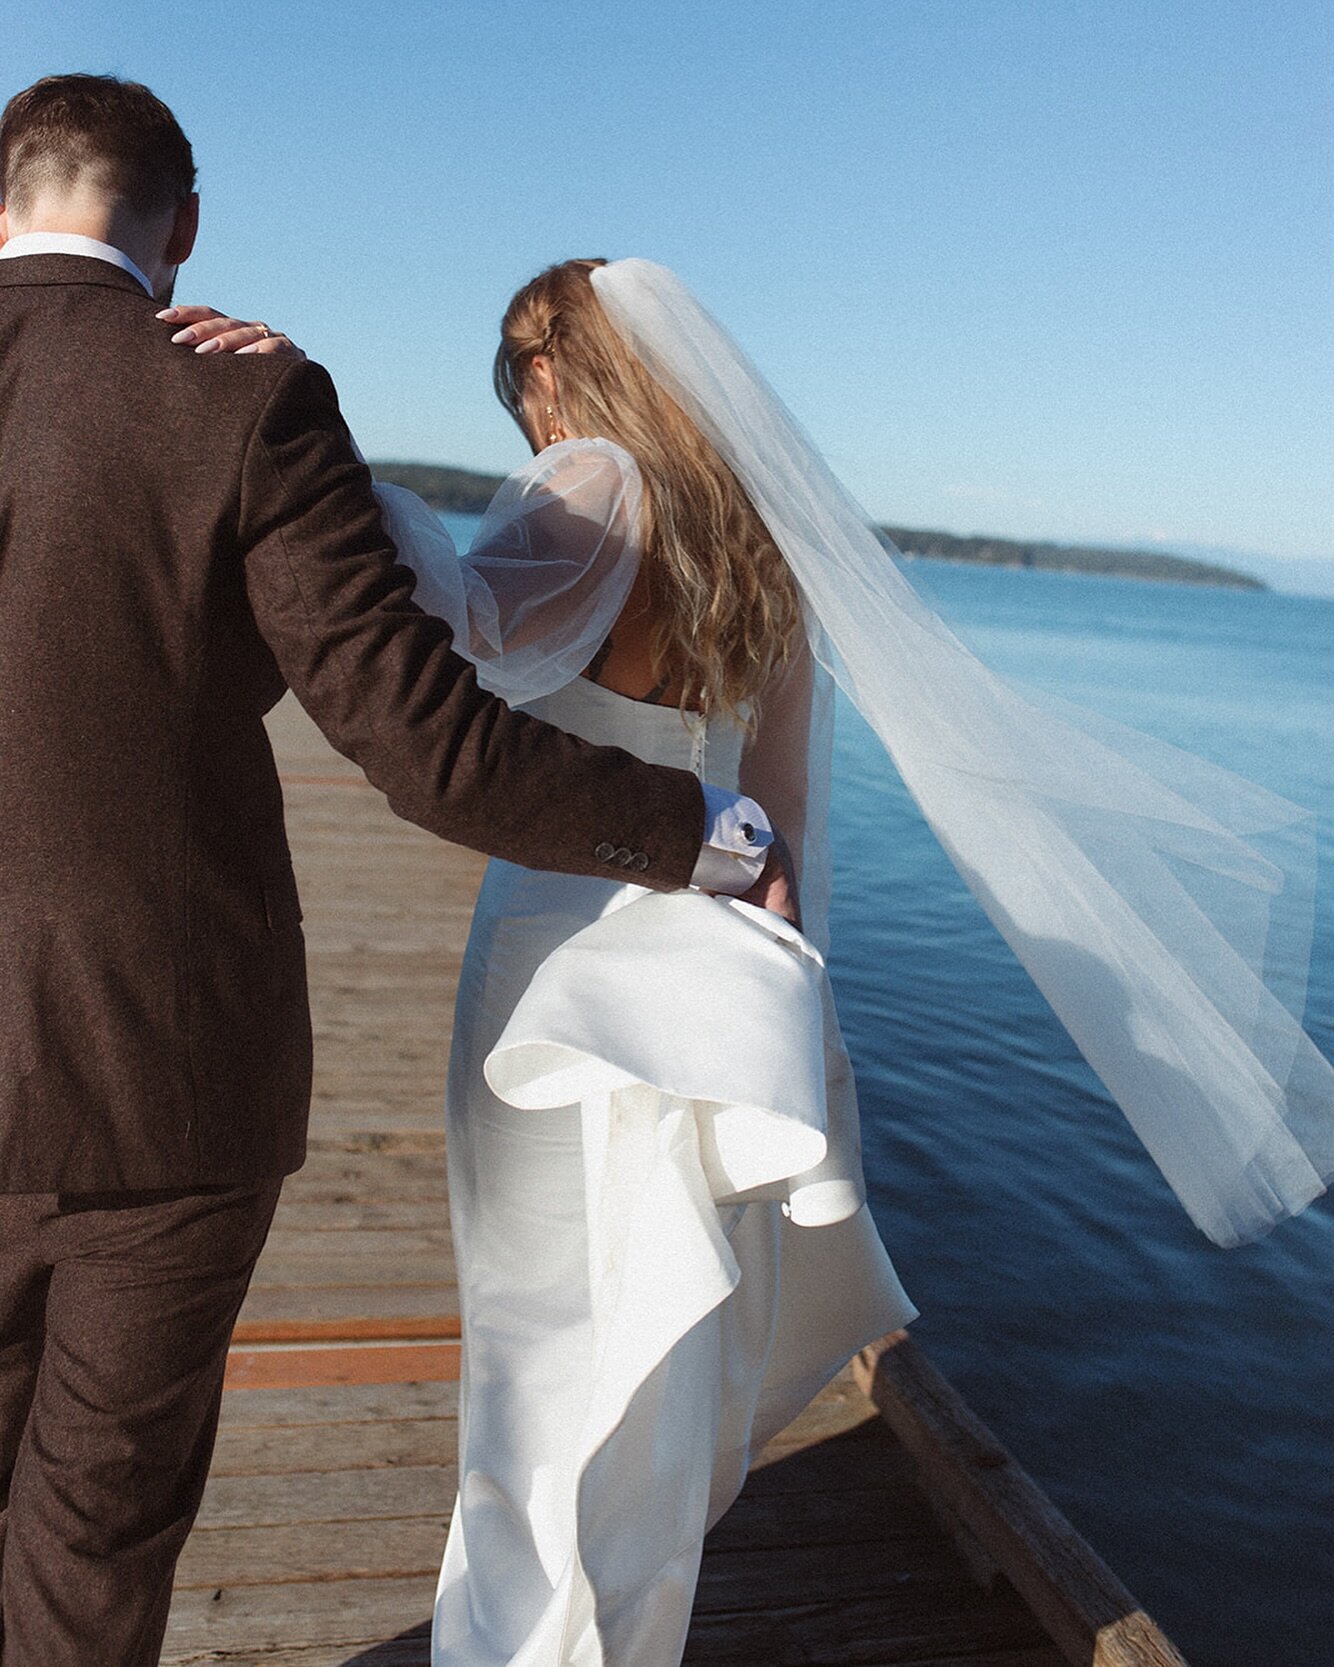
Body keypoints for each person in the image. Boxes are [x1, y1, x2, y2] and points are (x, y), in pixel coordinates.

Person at [181, 255, 1334, 1667]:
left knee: (538, 1351)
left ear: (556, 363)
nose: (524, 418)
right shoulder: (760, 544)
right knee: (650, 1353)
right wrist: (776, 1000)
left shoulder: (590, 477)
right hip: (710, 969)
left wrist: (313, 447)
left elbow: (470, 636)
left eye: (518, 382)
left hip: (570, 949)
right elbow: (775, 826)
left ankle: (517, 1639)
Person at [0, 81, 797, 1667]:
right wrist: (716, 839)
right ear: (185, 224)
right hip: (159, 1065)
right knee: (93, 1523)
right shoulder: (232, 399)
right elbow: (428, 743)